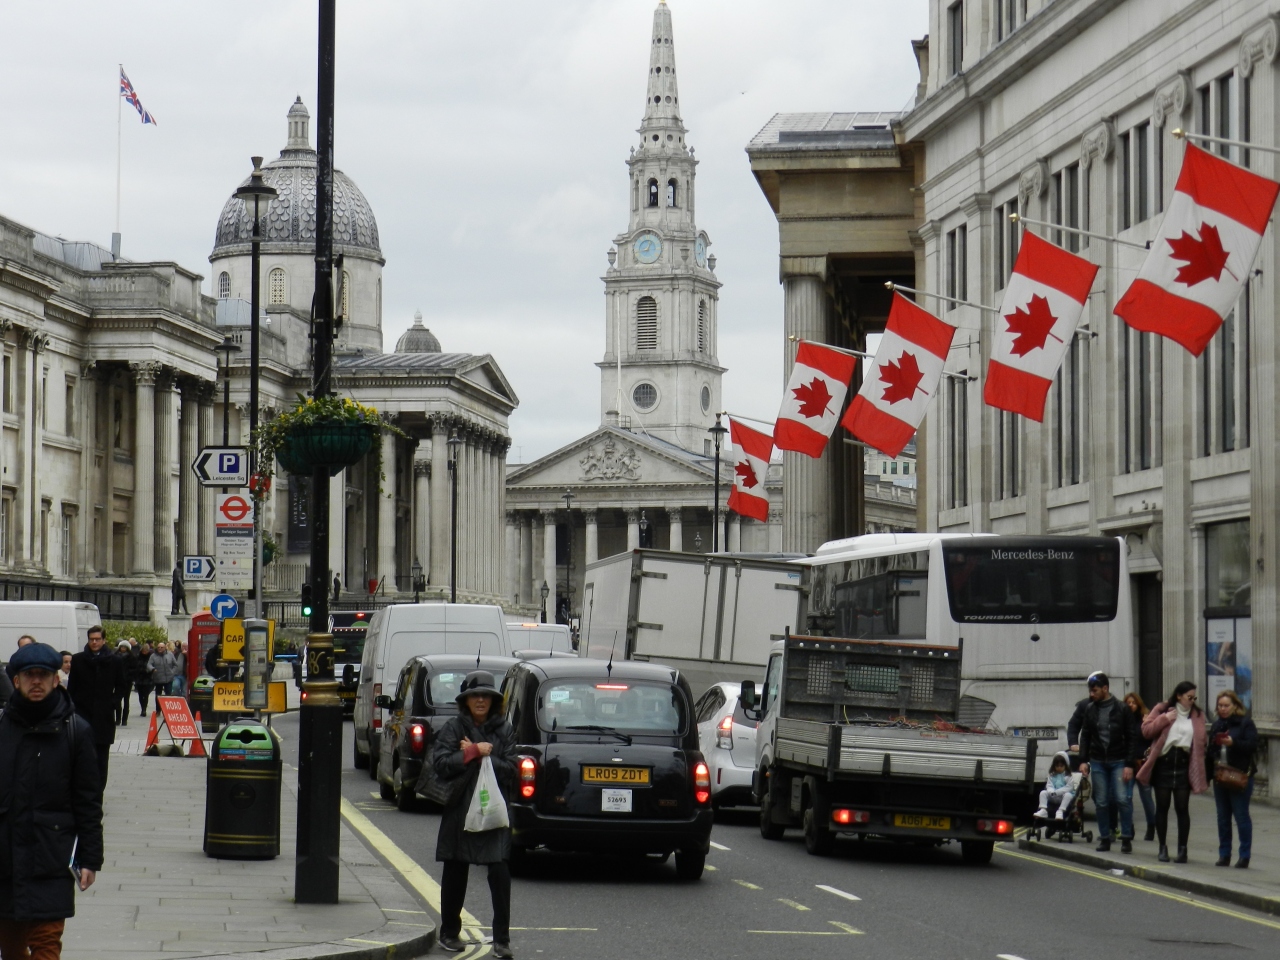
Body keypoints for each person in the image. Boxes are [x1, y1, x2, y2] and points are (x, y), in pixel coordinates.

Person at [0, 642, 103, 959]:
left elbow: (88, 801)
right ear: (15, 680)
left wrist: (90, 858)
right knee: (12, 948)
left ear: (56, 679)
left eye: (43, 675)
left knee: (46, 945)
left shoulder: (76, 731)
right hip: (4, 859)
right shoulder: (1, 728)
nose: (36, 681)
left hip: (51, 856)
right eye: (28, 675)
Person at [431, 671, 516, 959]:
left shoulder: (505, 730)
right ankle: (449, 933)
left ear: (494, 701)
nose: (480, 700)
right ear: (465, 701)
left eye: (486, 696)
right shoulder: (454, 728)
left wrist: (483, 755)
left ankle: (502, 939)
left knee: (500, 871)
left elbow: (512, 770)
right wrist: (469, 754)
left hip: (492, 808)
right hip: (461, 808)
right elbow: (440, 764)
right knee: (455, 869)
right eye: (475, 696)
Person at [1137, 681, 1208, 864]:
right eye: (1189, 697)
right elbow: (1146, 731)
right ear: (1179, 695)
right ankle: (1162, 848)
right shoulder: (1162, 709)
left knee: (1182, 808)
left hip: (1184, 763)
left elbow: (1201, 741)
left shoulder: (1198, 716)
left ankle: (1182, 850)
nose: (1192, 701)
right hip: (1164, 763)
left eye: (1194, 698)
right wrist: (1165, 719)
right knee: (1162, 807)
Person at [1078, 672, 1141, 853]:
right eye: (1090, 691)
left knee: (1122, 799)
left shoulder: (1122, 708)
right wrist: (1083, 760)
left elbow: (1131, 737)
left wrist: (1129, 764)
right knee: (1102, 802)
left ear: (1105, 689)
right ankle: (1105, 837)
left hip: (1119, 760)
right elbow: (1086, 736)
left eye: (1095, 690)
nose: (1092, 694)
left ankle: (1126, 837)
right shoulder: (1090, 709)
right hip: (1098, 760)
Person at [66, 624, 129, 790]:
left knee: (101, 759)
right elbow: (72, 687)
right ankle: (82, 791)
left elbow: (122, 686)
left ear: (104, 640)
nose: (94, 642)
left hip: (104, 716)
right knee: (82, 757)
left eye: (97, 639)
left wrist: (113, 702)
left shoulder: (115, 661)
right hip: (82, 715)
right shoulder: (78, 659)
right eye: (91, 639)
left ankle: (98, 793)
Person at [1209, 690, 1257, 869]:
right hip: (1220, 776)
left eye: (1226, 705)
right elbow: (1210, 751)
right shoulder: (1217, 725)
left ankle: (1244, 856)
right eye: (1220, 705)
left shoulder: (1245, 723)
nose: (1223, 709)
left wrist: (1233, 744)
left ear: (1235, 706)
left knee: (1241, 816)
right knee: (1222, 817)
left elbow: (1252, 745)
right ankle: (1224, 854)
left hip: (1239, 775)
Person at [1125, 692, 1157, 841]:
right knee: (1126, 796)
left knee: (1146, 797)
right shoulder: (1123, 720)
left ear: (1138, 704)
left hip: (1142, 763)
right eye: (1128, 702)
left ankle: (1151, 825)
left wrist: (1148, 724)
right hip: (1128, 764)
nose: (1130, 705)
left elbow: (1153, 738)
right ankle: (1128, 826)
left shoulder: (1145, 719)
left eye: (1133, 702)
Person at [1035, 751, 1076, 819]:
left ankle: (1060, 811)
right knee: (1043, 793)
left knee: (1068, 795)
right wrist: (1051, 791)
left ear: (1065, 766)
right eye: (1057, 766)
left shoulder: (1068, 776)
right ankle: (1043, 810)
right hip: (1053, 795)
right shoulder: (1052, 775)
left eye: (1061, 766)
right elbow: (1049, 785)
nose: (1059, 768)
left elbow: (1069, 787)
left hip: (1062, 797)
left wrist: (1057, 792)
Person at [113, 642, 136, 726]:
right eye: (121, 647)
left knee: (126, 700)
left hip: (127, 681)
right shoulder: (115, 656)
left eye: (124, 647)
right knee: (117, 700)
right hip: (118, 681)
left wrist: (128, 675)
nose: (123, 649)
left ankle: (124, 719)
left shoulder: (131, 657)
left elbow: (134, 668)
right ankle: (118, 719)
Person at [132, 642, 155, 716]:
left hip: (147, 678)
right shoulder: (138, 657)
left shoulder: (151, 657)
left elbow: (152, 666)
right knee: (140, 694)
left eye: (146, 651)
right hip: (139, 678)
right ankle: (142, 707)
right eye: (143, 651)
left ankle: (144, 709)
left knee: (146, 694)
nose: (145, 652)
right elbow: (135, 666)